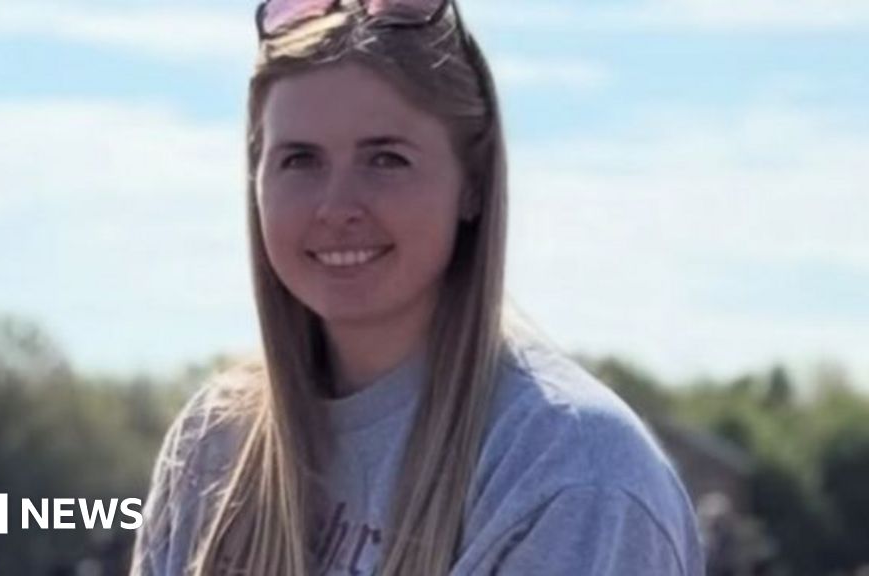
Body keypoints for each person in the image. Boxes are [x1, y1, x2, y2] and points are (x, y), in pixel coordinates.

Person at [129, 0, 706, 574]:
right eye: (300, 160)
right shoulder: (214, 445)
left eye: (385, 159)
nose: (337, 207)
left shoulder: (572, 475)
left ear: (472, 183)